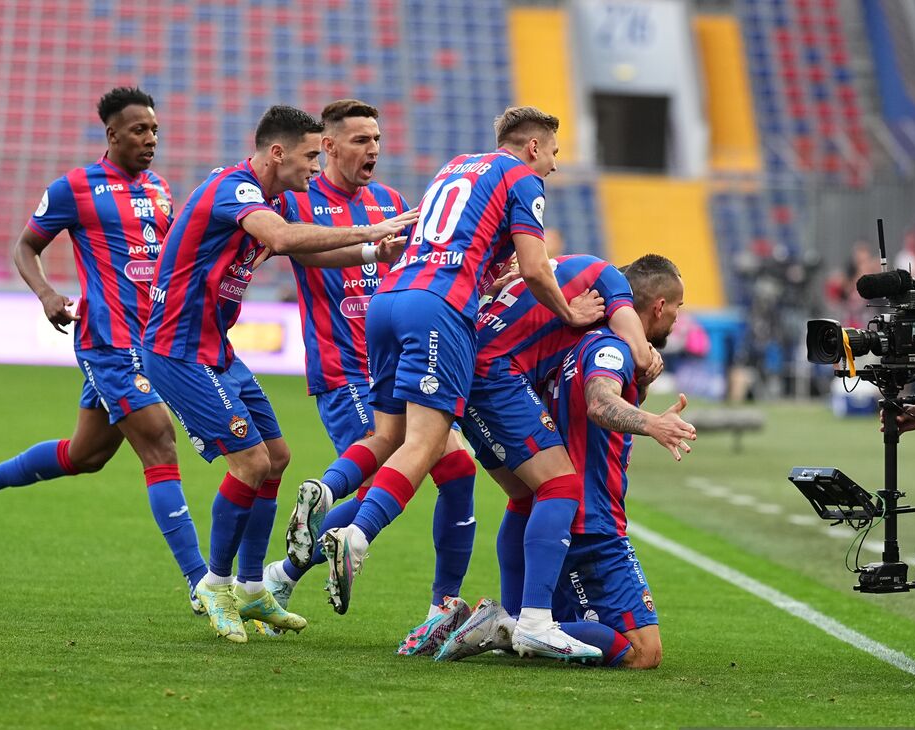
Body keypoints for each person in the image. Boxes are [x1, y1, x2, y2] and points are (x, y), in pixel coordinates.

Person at [310, 106, 605, 660]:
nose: (555, 169)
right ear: (534, 148)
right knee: (427, 446)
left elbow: (453, 242)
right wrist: (570, 313)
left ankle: (306, 529)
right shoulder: (522, 177)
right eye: (555, 155)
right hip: (438, 309)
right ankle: (358, 535)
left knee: (392, 438)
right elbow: (538, 268)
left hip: (387, 302)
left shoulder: (457, 167)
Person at [140, 104, 413, 643]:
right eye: (312, 155)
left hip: (215, 350)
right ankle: (214, 586)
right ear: (278, 153)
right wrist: (373, 226)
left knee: (278, 459)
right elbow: (286, 240)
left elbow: (307, 258)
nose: (317, 167)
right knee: (251, 462)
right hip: (178, 352)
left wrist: (370, 251)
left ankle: (251, 589)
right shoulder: (234, 189)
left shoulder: (271, 198)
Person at [0, 87, 208, 610]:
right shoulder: (74, 188)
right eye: (139, 130)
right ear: (112, 135)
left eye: (154, 130)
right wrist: (46, 294)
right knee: (159, 443)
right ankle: (202, 584)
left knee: (85, 455)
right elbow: (25, 245)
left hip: (151, 340)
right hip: (107, 341)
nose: (150, 139)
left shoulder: (159, 188)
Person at [261, 99, 478, 633]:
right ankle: (283, 575)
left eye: (377, 139)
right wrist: (368, 251)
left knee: (458, 470)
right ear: (329, 146)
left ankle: (440, 606)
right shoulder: (303, 199)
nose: (373, 149)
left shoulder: (390, 201)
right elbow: (301, 254)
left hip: (401, 364)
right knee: (383, 479)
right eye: (360, 140)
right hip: (344, 369)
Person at [394, 252, 658, 659]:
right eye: (676, 307)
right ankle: (518, 622)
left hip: (465, 372)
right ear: (657, 306)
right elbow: (605, 394)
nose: (677, 316)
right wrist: (653, 416)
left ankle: (513, 618)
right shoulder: (609, 342)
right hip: (594, 525)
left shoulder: (561, 328)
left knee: (523, 495)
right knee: (643, 653)